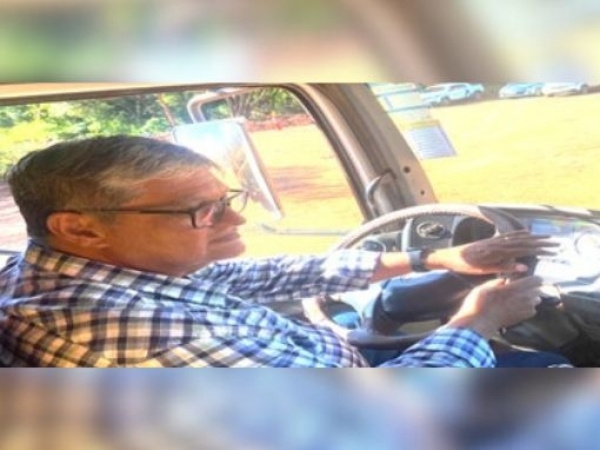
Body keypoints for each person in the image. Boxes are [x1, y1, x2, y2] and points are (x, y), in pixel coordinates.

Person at [0, 135, 567, 367]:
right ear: (81, 228)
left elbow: (252, 277)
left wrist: (431, 260)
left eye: (228, 200)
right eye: (202, 211)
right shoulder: (142, 341)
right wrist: (479, 319)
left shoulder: (73, 274)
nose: (236, 219)